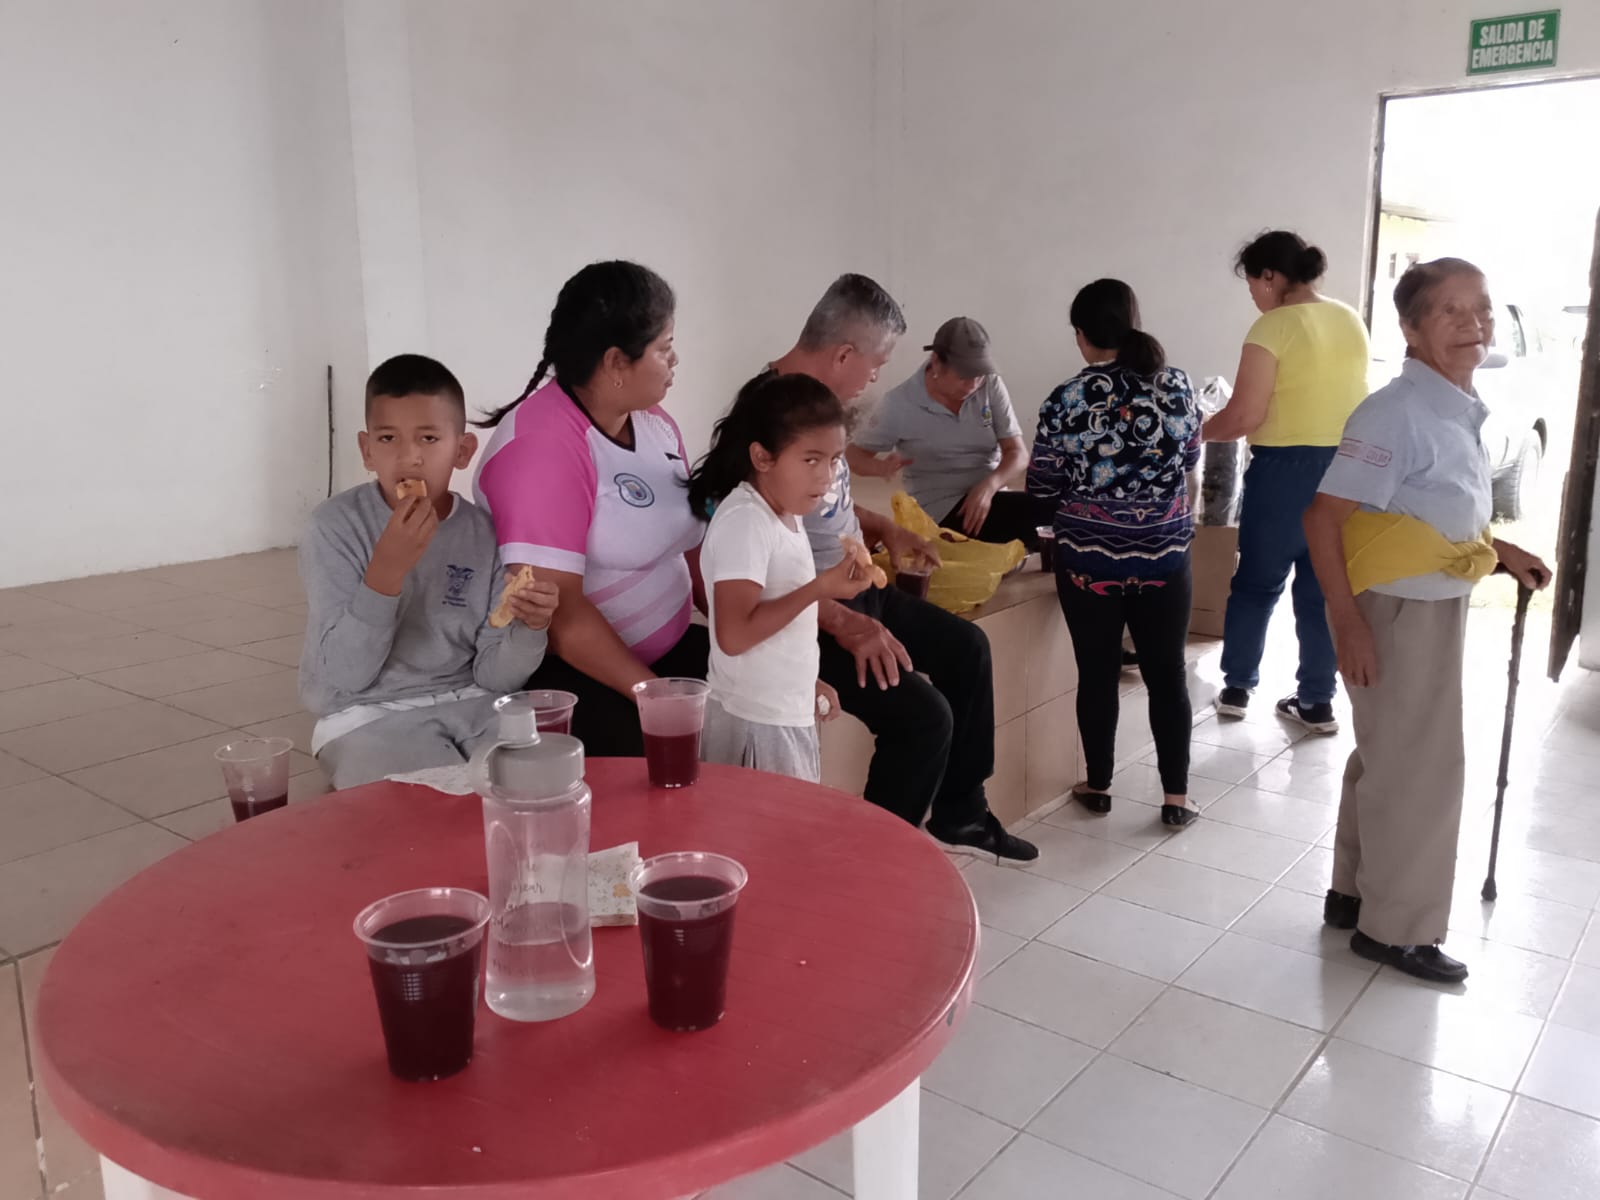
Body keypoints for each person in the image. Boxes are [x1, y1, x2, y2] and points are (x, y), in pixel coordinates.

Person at [1303, 258, 1550, 984]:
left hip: (1427, 601)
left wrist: (1498, 552)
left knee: (1390, 755)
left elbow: (1428, 514)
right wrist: (1347, 624)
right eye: (1451, 311)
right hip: (1397, 611)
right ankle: (1397, 930)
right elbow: (1323, 519)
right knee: (1422, 770)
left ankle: (1355, 894)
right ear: (1411, 329)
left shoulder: (1453, 403)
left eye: (1482, 308)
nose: (1474, 323)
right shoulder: (1396, 412)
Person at [758, 273, 1038, 861]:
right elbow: (751, 554)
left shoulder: (818, 405)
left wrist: (884, 527)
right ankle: (878, 868)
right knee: (923, 718)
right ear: (844, 355)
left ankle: (962, 814)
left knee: (967, 648)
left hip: (855, 588)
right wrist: (840, 621)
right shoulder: (765, 415)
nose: (875, 378)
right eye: (877, 364)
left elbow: (825, 506)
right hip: (807, 612)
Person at [472, 261, 707, 755]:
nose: (676, 359)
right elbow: (560, 616)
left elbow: (691, 541)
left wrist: (742, 641)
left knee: (764, 700)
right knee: (657, 767)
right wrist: (653, 696)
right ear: (616, 362)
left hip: (668, 648)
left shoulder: (654, 422)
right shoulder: (541, 449)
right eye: (664, 347)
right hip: (574, 671)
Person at [299, 354, 558, 788]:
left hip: (474, 701)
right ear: (366, 450)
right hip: (367, 714)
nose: (409, 457)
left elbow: (495, 675)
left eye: (429, 438)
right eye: (387, 438)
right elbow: (346, 675)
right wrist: (385, 572)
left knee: (545, 779)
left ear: (462, 451)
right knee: (422, 810)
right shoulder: (333, 527)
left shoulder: (484, 532)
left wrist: (531, 627)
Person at [1028, 280, 1202, 828]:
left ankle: (1099, 785)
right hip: (1164, 558)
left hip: (1089, 563)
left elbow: (1041, 485)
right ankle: (1176, 798)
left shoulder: (1066, 398)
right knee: (1167, 676)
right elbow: (1190, 459)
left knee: (1097, 673)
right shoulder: (1176, 386)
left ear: (1081, 335)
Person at [1204, 231, 1370, 734]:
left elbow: (1244, 415)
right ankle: (1317, 703)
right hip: (1345, 472)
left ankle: (1237, 688)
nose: (1255, 296)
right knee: (1322, 587)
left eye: (1253, 284)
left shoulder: (1272, 326)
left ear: (1270, 276)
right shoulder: (1350, 319)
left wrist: (1192, 432)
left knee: (1257, 583)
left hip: (1284, 471)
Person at [686, 373, 867, 780]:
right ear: (762, 458)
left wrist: (806, 682)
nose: (826, 476)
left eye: (834, 460)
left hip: (779, 712)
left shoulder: (784, 511)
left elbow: (777, 625)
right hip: (754, 721)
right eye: (811, 460)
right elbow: (734, 636)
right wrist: (820, 588)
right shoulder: (746, 522)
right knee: (762, 822)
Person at [847, 317, 1034, 546]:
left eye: (978, 375)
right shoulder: (900, 403)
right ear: (936, 363)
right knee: (1028, 528)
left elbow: (1018, 453)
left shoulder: (990, 384)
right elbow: (853, 456)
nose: (973, 384)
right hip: (939, 509)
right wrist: (880, 467)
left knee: (1054, 515)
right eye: (964, 376)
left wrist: (988, 487)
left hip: (990, 498)